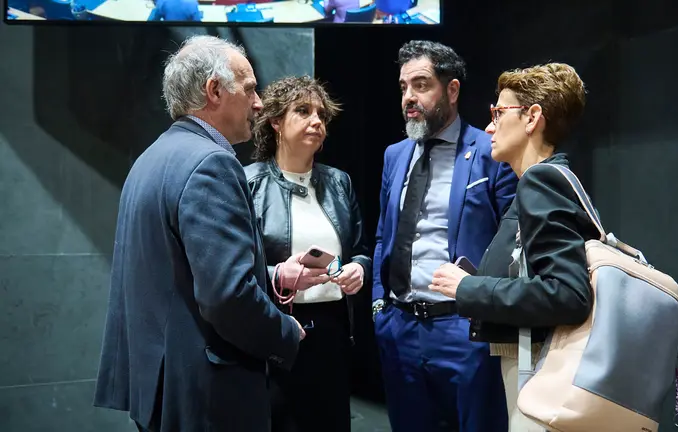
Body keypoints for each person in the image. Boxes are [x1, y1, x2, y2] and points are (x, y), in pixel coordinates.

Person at [93, 35, 304, 432]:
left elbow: (176, 273)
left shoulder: (150, 158)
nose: (259, 103)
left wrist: (273, 275)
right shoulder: (212, 164)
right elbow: (227, 297)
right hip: (205, 398)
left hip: (159, 389)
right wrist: (285, 332)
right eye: (250, 89)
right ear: (214, 91)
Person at [429, 63, 600, 431]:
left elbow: (568, 293)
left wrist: (468, 288)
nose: (489, 127)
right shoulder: (543, 181)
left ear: (532, 118)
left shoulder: (541, 183)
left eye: (498, 113)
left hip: (540, 375)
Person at [372, 40, 517, 432]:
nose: (409, 97)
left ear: (452, 90)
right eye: (404, 87)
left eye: (421, 85)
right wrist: (379, 308)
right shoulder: (395, 155)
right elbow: (384, 237)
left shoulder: (490, 151)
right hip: (400, 328)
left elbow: (512, 243)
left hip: (464, 329)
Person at [244, 75, 371, 432]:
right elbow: (232, 267)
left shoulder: (339, 182)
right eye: (303, 111)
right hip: (277, 327)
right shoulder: (249, 182)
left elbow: (361, 251)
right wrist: (276, 275)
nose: (316, 121)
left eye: (322, 114)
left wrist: (359, 269)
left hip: (333, 329)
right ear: (275, 122)